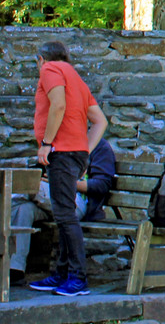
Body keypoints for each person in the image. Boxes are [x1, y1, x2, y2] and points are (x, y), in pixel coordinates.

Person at [29, 40, 107, 297]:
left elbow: (58, 105)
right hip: (75, 153)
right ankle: (63, 274)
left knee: (65, 215)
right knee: (64, 214)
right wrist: (86, 147)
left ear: (42, 59)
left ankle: (78, 278)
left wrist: (47, 144)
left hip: (61, 152)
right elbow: (100, 121)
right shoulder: (76, 78)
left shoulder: (50, 70)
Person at [7, 139, 116, 287]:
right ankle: (15, 270)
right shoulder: (59, 141)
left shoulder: (99, 146)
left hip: (77, 203)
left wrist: (64, 182)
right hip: (53, 199)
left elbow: (102, 185)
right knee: (23, 208)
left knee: (29, 187)